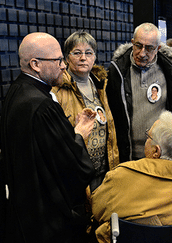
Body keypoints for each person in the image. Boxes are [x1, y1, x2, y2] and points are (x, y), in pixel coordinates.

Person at [0, 32, 97, 243]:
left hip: (25, 212)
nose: (64, 66)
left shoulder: (18, 91)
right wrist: (79, 133)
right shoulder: (42, 105)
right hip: (48, 219)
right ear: (35, 64)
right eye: (58, 60)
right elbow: (72, 166)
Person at [91, 111, 172, 243]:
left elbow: (97, 210)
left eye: (148, 136)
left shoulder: (121, 176)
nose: (146, 140)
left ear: (156, 152)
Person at [106, 22, 172, 162]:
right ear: (132, 42)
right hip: (129, 156)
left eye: (149, 48)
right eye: (138, 46)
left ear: (158, 48)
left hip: (163, 157)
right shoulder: (118, 71)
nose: (142, 53)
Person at [52, 30, 119, 192]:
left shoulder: (102, 85)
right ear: (67, 58)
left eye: (88, 53)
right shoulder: (58, 91)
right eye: (77, 53)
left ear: (94, 57)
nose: (83, 58)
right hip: (77, 174)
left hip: (105, 171)